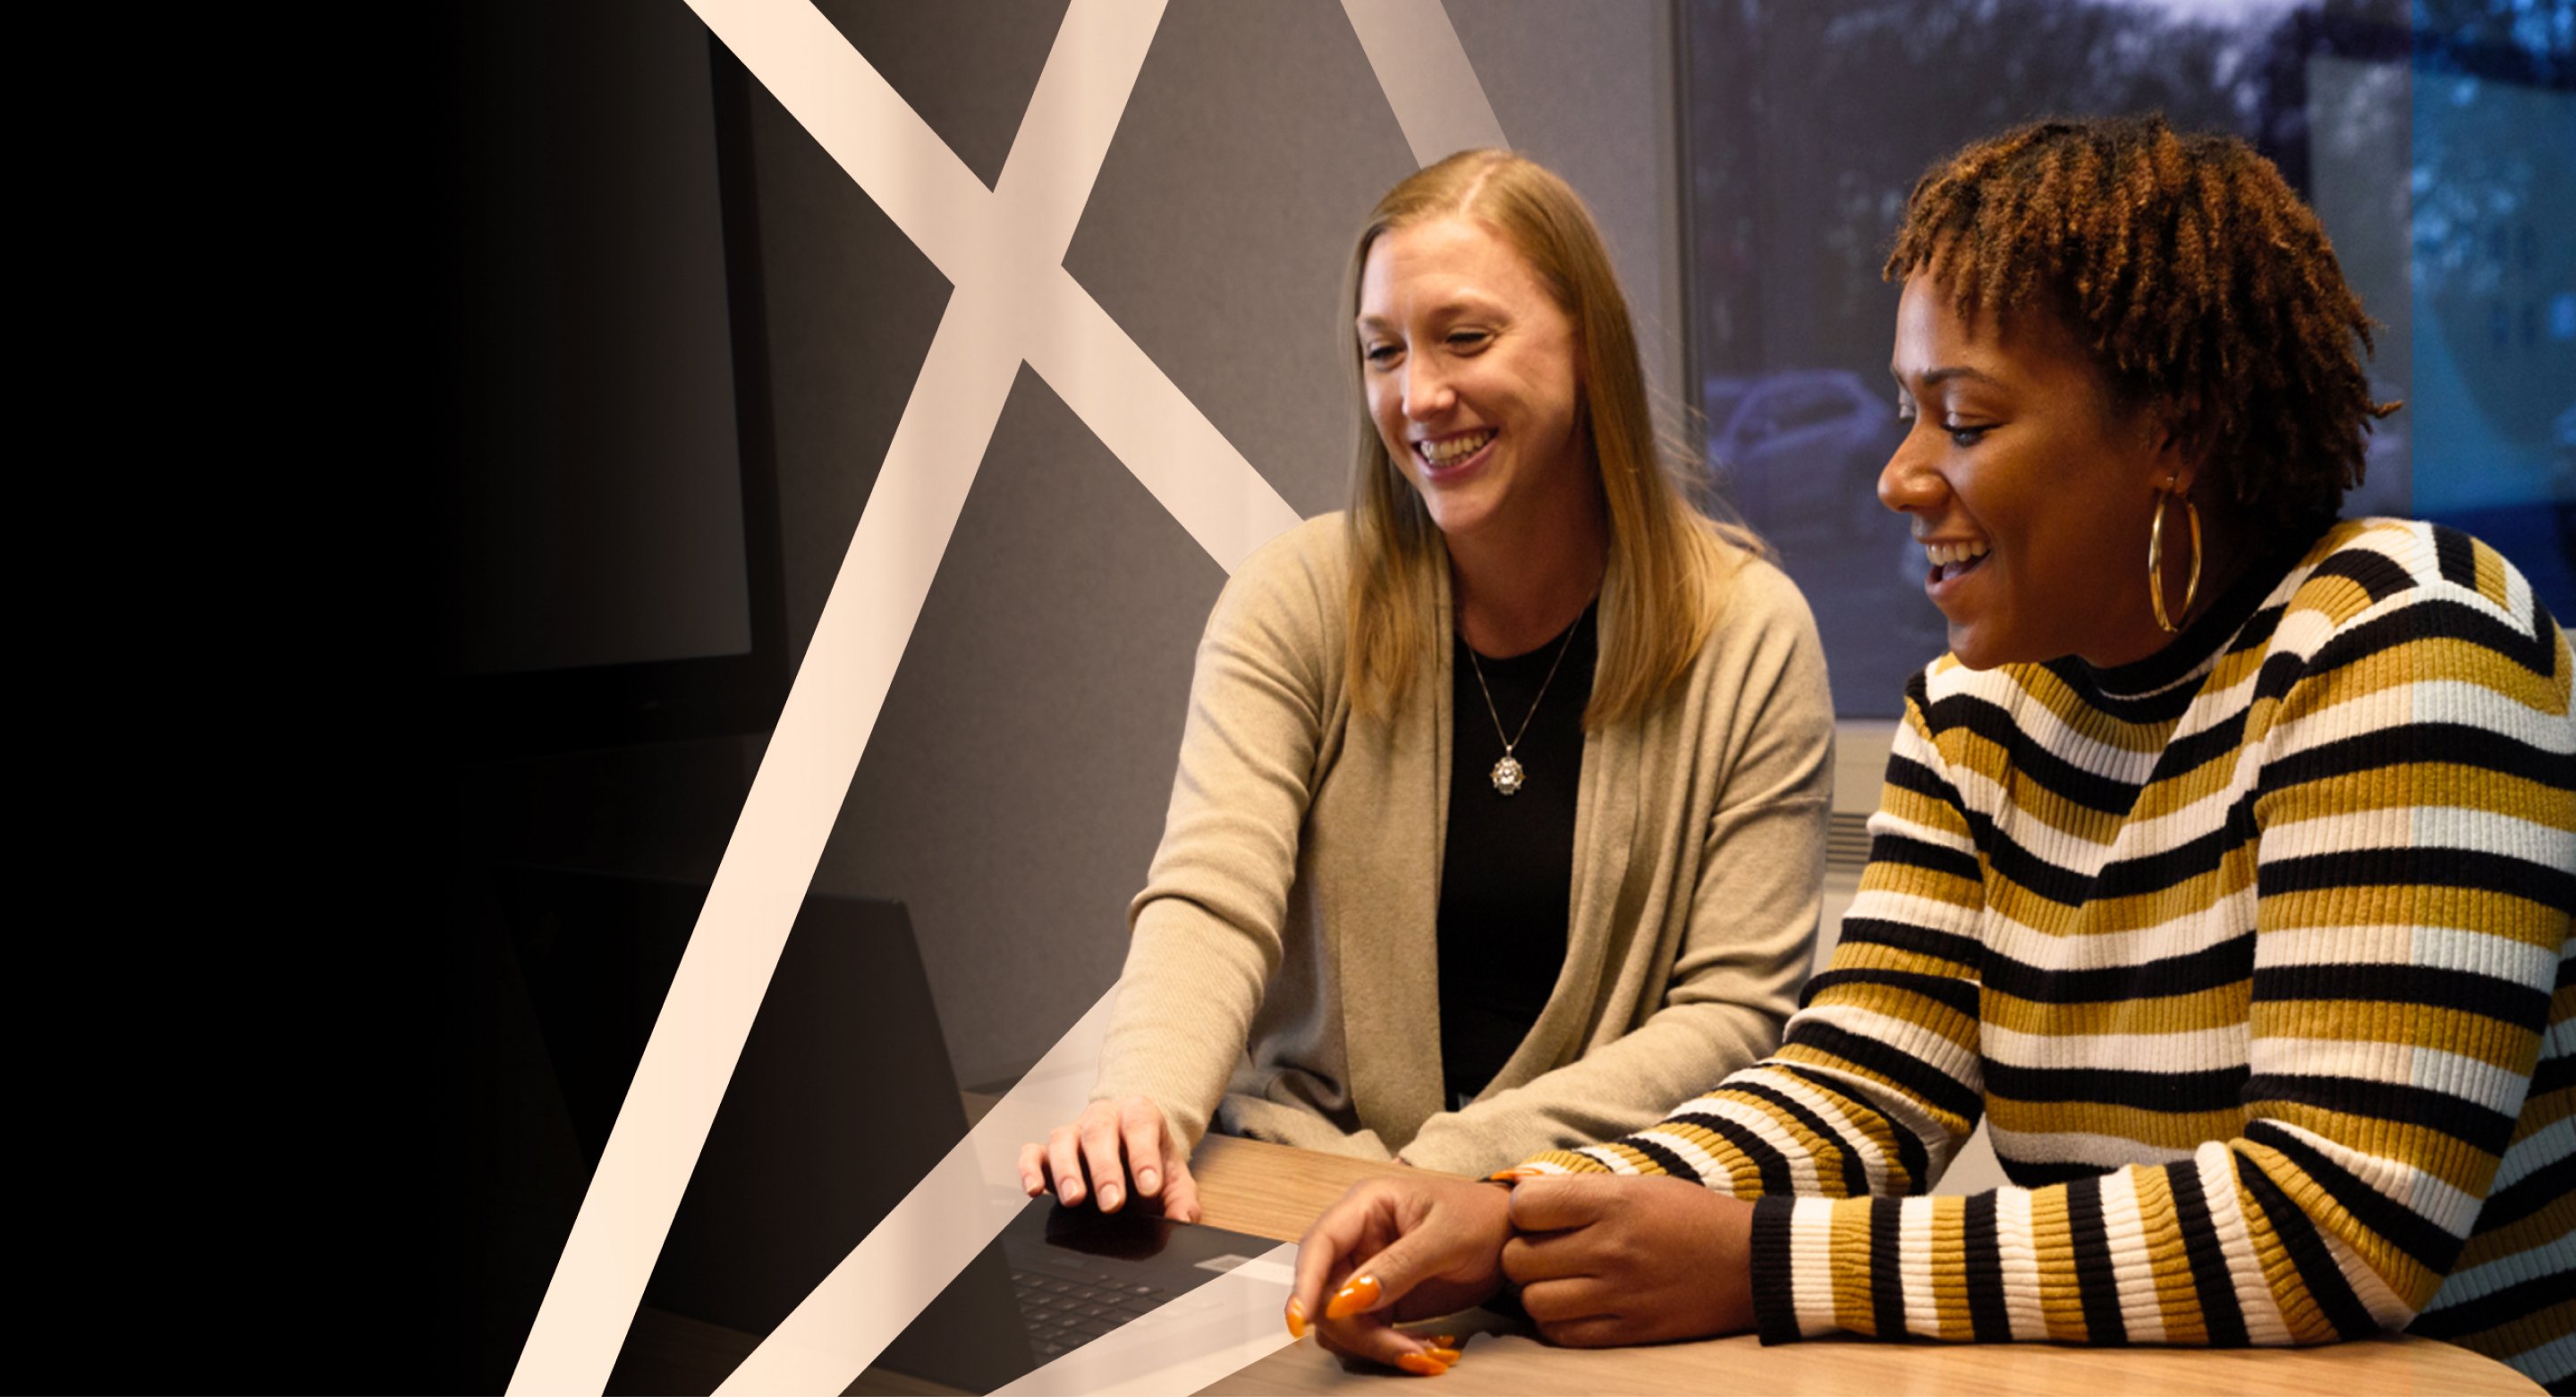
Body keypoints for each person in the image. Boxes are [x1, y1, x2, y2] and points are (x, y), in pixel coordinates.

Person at [1287, 114, 2574, 1388]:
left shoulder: (2408, 647)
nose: (1900, 475)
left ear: (2175, 434)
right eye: (1908, 412)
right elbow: (1855, 1086)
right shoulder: (1980, 712)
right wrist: (1517, 1209)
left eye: (1962, 422)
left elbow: (2332, 1228)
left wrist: (1774, 1261)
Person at [1016, 150, 1835, 1223]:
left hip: (1571, 1217)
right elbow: (1214, 898)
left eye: (1466, 338)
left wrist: (1448, 1170)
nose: (1418, 395)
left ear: (1586, 344)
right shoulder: (1294, 599)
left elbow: (1733, 1016)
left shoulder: (1749, 634)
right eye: (1382, 351)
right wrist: (1143, 1107)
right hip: (1298, 1182)